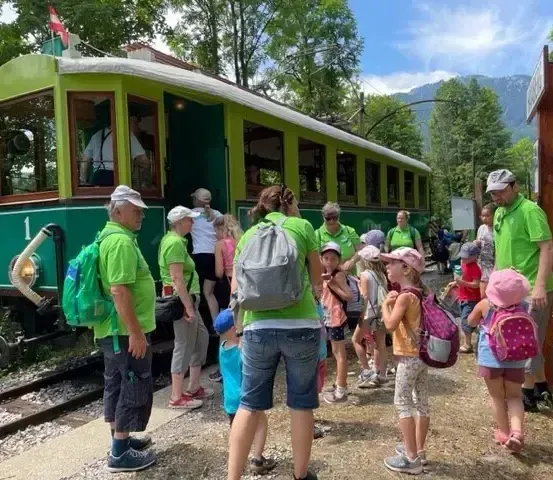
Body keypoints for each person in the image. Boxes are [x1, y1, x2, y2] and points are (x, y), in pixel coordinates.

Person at [227, 185, 322, 480]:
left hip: (257, 328)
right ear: (290, 204)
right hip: (301, 325)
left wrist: (239, 330)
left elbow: (236, 290)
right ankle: (300, 474)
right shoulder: (303, 226)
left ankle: (232, 477)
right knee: (301, 402)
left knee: (249, 403)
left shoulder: (248, 236)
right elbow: (318, 280)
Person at [96, 185, 156, 472]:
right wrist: (135, 332)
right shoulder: (120, 242)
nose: (140, 214)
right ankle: (119, 454)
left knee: (117, 384)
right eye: (135, 210)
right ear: (118, 211)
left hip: (113, 330)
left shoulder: (111, 237)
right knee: (133, 384)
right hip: (124, 332)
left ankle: (119, 440)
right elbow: (119, 290)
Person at [486, 169, 553, 412]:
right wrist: (493, 283)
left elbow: (546, 248)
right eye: (493, 193)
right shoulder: (499, 213)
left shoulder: (530, 211)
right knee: (523, 340)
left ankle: (525, 394)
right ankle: (540, 388)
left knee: (527, 341)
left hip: (531, 289)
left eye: (501, 191)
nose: (497, 197)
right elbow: (499, 251)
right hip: (508, 291)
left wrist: (540, 287)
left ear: (515, 186)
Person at [467, 270, 530, 452]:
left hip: (491, 360)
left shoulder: (485, 305)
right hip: (517, 359)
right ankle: (517, 432)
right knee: (514, 396)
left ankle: (503, 433)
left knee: (496, 397)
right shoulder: (523, 305)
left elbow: (470, 322)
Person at [158, 206, 213, 409]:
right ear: (180, 222)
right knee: (183, 344)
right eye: (190, 219)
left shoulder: (177, 241)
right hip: (181, 301)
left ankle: (193, 386)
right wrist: (188, 307)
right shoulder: (174, 243)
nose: (193, 222)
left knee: (201, 338)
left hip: (188, 300)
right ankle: (176, 396)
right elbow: (176, 278)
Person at [380, 247, 428, 475]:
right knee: (422, 402)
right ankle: (419, 449)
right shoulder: (420, 292)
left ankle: (411, 459)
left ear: (406, 268)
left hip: (408, 356)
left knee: (402, 403)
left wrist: (385, 305)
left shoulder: (403, 297)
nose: (387, 266)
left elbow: (389, 325)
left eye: (391, 263)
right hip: (422, 356)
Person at [214, 309, 277, 475]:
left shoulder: (222, 348)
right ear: (234, 327)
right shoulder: (240, 351)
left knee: (237, 429)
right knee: (261, 422)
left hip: (229, 398)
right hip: (245, 396)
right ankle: (257, 458)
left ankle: (237, 459)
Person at [320, 242, 353, 404]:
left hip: (335, 318)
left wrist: (332, 284)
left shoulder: (338, 275)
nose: (329, 262)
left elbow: (348, 296)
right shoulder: (324, 273)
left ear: (338, 260)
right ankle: (340, 384)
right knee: (335, 352)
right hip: (328, 317)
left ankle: (341, 390)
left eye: (333, 259)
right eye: (325, 258)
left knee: (339, 354)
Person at [190, 188, 223, 328]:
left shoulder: (190, 215)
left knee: (197, 291)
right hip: (215, 256)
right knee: (210, 292)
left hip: (199, 257)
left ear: (196, 200)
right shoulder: (217, 214)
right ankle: (216, 323)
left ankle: (196, 322)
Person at [357, 245, 389, 388]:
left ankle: (367, 371)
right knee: (380, 344)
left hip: (369, 313)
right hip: (382, 312)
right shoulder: (382, 274)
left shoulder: (365, 275)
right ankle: (381, 374)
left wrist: (360, 314)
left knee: (356, 340)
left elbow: (365, 297)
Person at [80, 123, 149, 187]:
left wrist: (83, 182)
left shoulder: (96, 135)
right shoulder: (126, 134)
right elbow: (143, 160)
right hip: (116, 178)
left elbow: (85, 160)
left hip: (96, 178)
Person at [450, 242, 482, 354]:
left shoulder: (475, 268)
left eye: (466, 257)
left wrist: (462, 283)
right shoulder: (463, 264)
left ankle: (468, 344)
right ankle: (476, 332)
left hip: (471, 299)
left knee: (465, 321)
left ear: (474, 257)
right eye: (462, 256)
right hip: (463, 297)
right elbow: (463, 278)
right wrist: (455, 283)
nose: (463, 259)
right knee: (467, 319)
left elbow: (476, 284)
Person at [315, 202, 362, 273]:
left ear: (339, 217)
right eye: (328, 218)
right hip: (328, 277)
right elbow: (316, 257)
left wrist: (352, 261)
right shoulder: (317, 234)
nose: (331, 221)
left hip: (350, 276)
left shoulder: (349, 231)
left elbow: (360, 251)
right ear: (323, 217)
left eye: (334, 218)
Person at [214, 214, 242, 309]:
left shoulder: (220, 244)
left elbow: (219, 273)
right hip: (242, 279)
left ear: (221, 229)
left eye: (216, 231)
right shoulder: (241, 240)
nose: (215, 234)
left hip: (228, 282)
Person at [474, 203, 496, 299]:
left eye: (487, 216)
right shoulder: (481, 228)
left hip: (494, 265)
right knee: (483, 296)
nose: (484, 218)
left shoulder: (498, 229)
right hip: (482, 265)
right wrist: (476, 243)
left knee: (494, 295)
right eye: (482, 216)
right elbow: (478, 242)